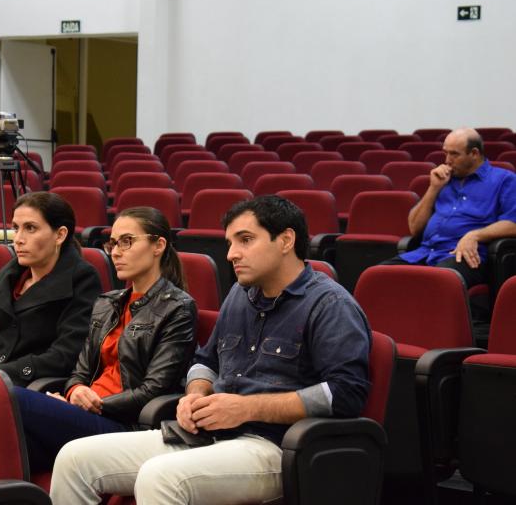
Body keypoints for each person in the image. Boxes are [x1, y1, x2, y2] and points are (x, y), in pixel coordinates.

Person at [50, 195, 371, 505]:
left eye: (245, 240)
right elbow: (205, 361)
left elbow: (345, 392)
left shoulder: (330, 304)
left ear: (286, 240)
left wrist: (247, 408)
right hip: (210, 434)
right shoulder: (239, 295)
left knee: (160, 477)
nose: (231, 254)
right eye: (230, 242)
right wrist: (195, 395)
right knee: (75, 459)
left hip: (277, 446)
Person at [12, 206, 197, 472]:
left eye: (127, 241)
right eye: (113, 243)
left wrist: (91, 405)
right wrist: (75, 391)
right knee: (8, 446)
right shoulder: (107, 303)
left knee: (7, 395)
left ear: (158, 246)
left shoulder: (177, 308)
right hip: (86, 413)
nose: (117, 252)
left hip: (123, 425)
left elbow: (153, 390)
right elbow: (80, 372)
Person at [0, 191, 102, 386]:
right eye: (16, 228)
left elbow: (65, 355)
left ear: (60, 235)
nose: (18, 239)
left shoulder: (82, 279)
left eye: (30, 228)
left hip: (31, 385)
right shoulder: (9, 276)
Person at [383, 127, 516, 288]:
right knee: (377, 276)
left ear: (474, 153)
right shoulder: (443, 180)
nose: (447, 160)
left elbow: (513, 223)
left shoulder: (504, 180)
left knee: (436, 280)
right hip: (424, 253)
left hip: (463, 256)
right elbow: (414, 227)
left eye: (454, 154)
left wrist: (474, 235)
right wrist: (433, 188)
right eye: (445, 153)